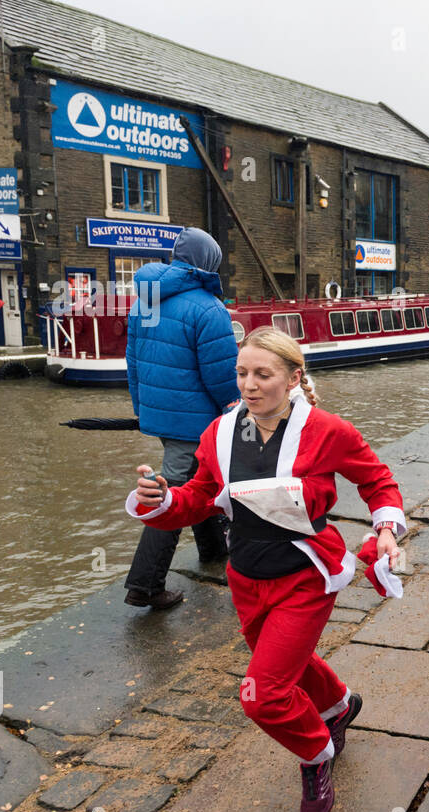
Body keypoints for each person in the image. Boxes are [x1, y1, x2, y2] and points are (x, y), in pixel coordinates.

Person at [126, 327, 406, 812]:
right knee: (286, 665)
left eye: (263, 374)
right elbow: (200, 496)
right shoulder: (219, 432)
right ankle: (338, 707)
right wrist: (162, 500)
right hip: (246, 576)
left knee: (264, 695)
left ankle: (317, 754)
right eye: (241, 373)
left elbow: (377, 480)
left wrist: (386, 529)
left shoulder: (327, 431)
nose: (249, 385)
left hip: (304, 576)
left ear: (293, 377)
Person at [124, 227, 236, 610]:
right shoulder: (209, 308)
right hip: (196, 422)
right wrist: (235, 409)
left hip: (162, 417)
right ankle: (145, 584)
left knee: (197, 479)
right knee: (169, 495)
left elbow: (133, 364)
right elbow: (223, 377)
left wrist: (142, 410)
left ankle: (211, 549)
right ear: (208, 263)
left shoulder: (146, 302)